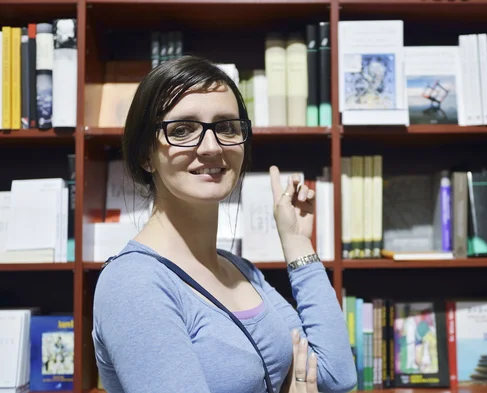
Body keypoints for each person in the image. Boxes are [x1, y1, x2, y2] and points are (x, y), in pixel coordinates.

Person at [91, 55, 357, 393]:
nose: (211, 146)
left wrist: (297, 243)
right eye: (183, 130)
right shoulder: (134, 284)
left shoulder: (239, 268)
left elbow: (336, 376)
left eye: (227, 127)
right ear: (145, 154)